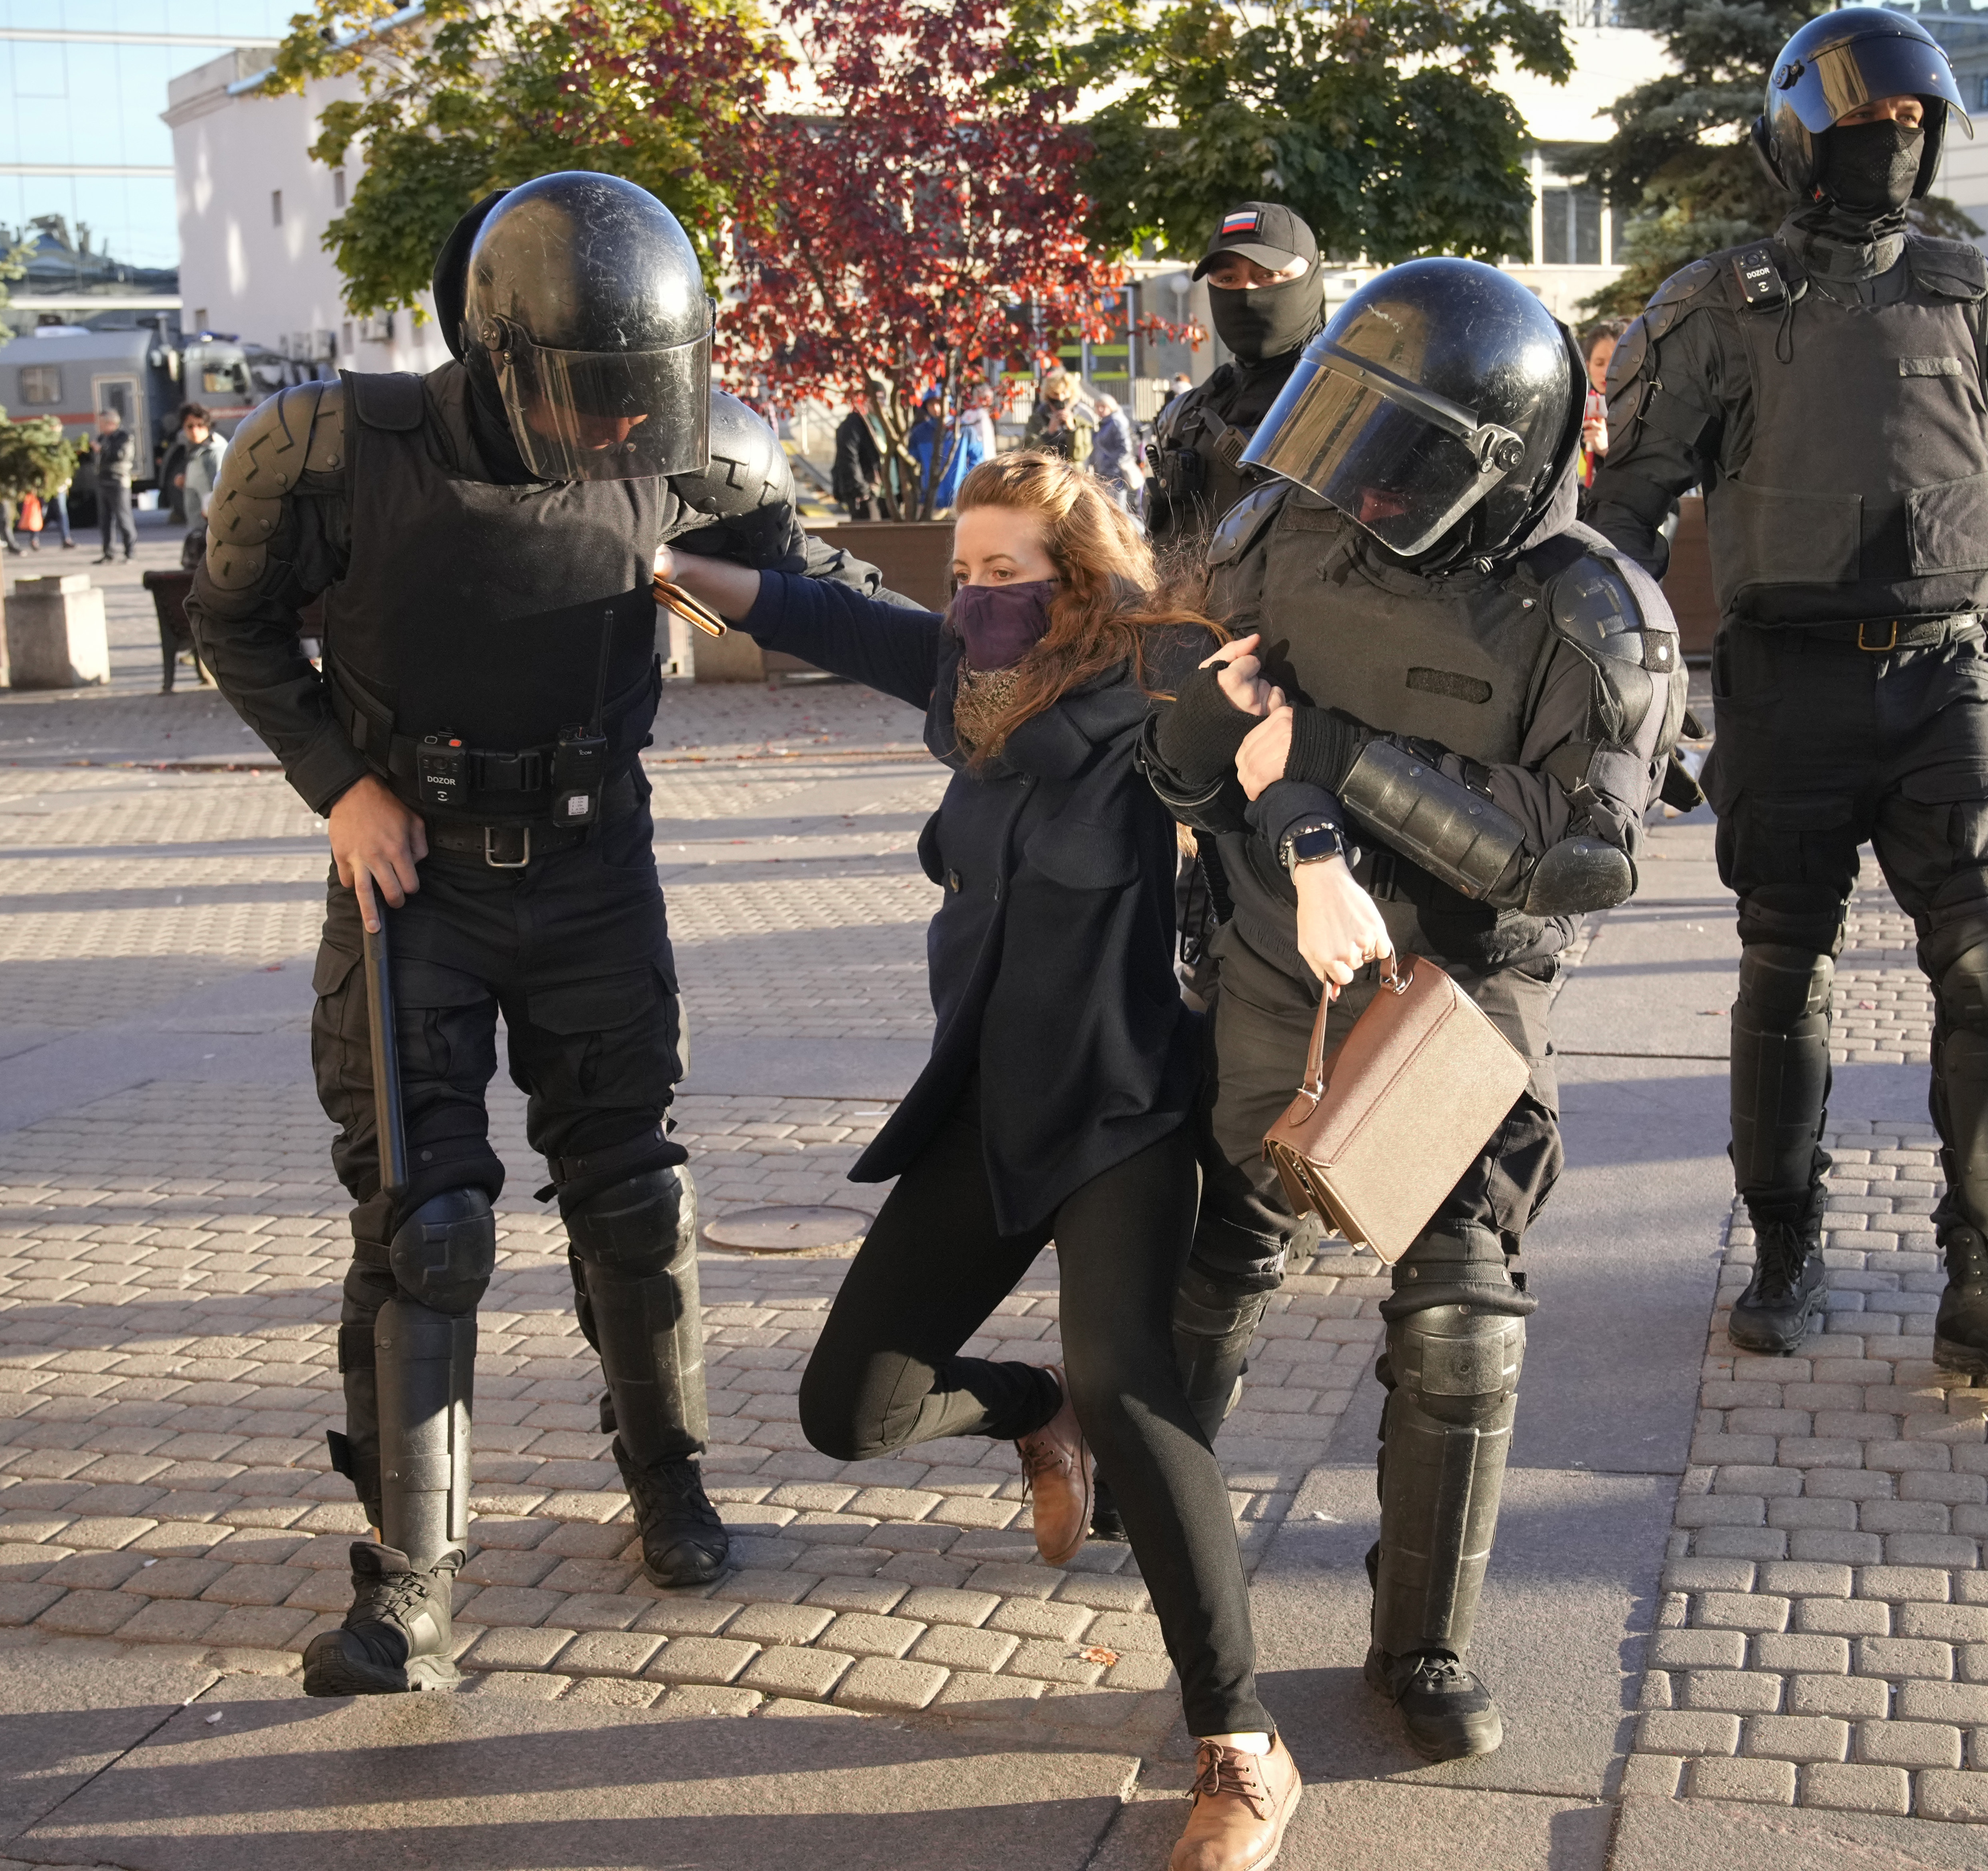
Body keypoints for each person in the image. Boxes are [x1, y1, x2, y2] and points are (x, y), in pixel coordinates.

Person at [190, 173, 901, 1700]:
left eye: (633, 401)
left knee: (634, 1197)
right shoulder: (331, 450)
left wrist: (1031, 655)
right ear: (497, 354)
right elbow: (230, 617)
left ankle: (670, 1480)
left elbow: (820, 593)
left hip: (591, 871)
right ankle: (410, 1587)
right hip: (412, 877)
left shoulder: (691, 444)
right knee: (424, 1226)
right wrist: (339, 785)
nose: (610, 434)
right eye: (583, 400)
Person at [663, 450, 1306, 1871]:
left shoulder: (1158, 672)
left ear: (1076, 571)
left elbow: (1272, 760)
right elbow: (802, 610)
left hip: (1123, 1105)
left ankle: (1243, 1744)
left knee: (1140, 1393)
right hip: (982, 1107)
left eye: (1008, 571)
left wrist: (1300, 831)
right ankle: (1033, 1407)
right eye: (964, 571)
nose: (978, 596)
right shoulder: (969, 684)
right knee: (849, 1407)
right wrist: (647, 562)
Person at [1144, 259, 1678, 1764]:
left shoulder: (1592, 611)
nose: (1362, 488)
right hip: (1270, 962)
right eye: (1353, 440)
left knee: (1457, 1316)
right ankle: (1161, 1505)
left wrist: (1333, 751)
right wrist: (1214, 724)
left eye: (1403, 460)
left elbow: (1578, 856)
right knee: (1226, 1249)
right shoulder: (1276, 528)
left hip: (1448, 1003)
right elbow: (1182, 760)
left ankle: (1421, 1635)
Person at [1585, 6, 1988, 1400]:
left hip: (1949, 677)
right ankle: (1788, 1244)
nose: (1897, 139)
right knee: (1782, 977)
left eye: (1915, 121)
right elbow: (1622, 518)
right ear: (1802, 136)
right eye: (1871, 121)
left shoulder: (1972, 291)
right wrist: (1618, 704)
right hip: (1792, 689)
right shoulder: (1717, 305)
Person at [1149, 204, 1325, 545]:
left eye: (1268, 275)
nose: (1247, 293)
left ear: (1311, 279)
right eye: (1228, 280)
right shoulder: (1187, 415)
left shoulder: (1358, 405)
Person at [163, 403, 226, 532]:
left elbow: (217, 492)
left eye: (200, 425)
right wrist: (186, 481)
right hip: (198, 528)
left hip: (210, 530)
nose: (195, 431)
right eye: (190, 427)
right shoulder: (197, 450)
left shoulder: (213, 452)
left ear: (208, 426)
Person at [89, 409, 136, 563]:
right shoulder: (102, 437)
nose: (99, 426)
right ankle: (108, 554)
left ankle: (130, 553)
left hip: (118, 481)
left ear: (111, 423)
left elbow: (121, 455)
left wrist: (102, 449)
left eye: (102, 423)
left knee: (124, 518)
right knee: (105, 521)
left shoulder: (124, 437)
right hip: (103, 481)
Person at [1021, 368, 1095, 464]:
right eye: (1056, 394)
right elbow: (1028, 454)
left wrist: (1072, 430)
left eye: (1064, 394)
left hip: (1072, 476)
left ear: (1071, 395)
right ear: (1048, 396)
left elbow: (1079, 456)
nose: (1060, 398)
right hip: (1046, 474)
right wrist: (1049, 434)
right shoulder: (1037, 420)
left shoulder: (1082, 422)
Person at [1090, 392, 1145, 518]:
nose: (1100, 410)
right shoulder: (1104, 423)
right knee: (1111, 511)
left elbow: (1125, 449)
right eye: (1098, 407)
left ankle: (1140, 534)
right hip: (1105, 474)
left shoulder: (1116, 422)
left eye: (1104, 407)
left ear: (1111, 406)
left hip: (1116, 474)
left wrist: (1110, 463)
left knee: (1119, 512)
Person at [1578, 321, 1620, 482]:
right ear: (1588, 366)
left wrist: (1607, 451)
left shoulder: (1643, 411)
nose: (1607, 372)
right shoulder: (1576, 410)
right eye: (1599, 363)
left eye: (1615, 361)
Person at [832, 394, 885, 520]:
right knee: (868, 534)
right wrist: (861, 489)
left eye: (883, 399)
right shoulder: (853, 424)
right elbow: (849, 459)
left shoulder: (884, 422)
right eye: (874, 398)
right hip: (865, 493)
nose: (879, 403)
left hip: (885, 492)